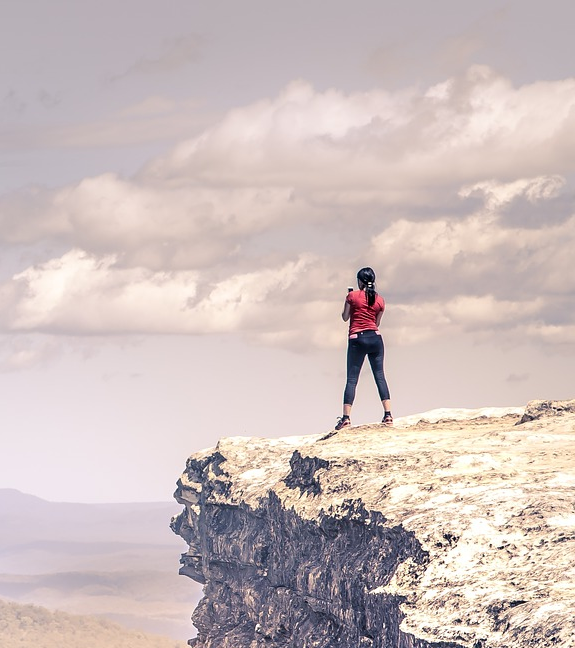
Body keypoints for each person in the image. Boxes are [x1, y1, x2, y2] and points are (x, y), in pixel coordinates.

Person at [335, 267, 392, 430]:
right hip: (375, 338)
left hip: (357, 339)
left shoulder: (352, 296)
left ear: (359, 281)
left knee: (352, 379)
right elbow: (377, 323)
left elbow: (345, 317)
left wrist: (350, 302)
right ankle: (388, 415)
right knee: (380, 376)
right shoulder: (380, 300)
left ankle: (346, 418)